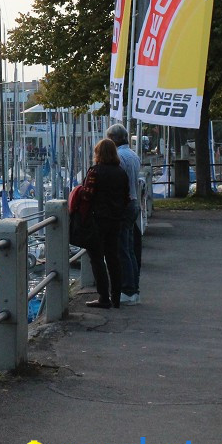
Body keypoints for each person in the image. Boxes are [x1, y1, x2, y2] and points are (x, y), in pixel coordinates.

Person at [81, 138, 129, 309]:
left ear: (98, 154)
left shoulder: (95, 171)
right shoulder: (121, 172)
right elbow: (126, 196)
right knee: (113, 258)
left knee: (96, 258)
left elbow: (87, 195)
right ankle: (116, 296)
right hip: (116, 220)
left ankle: (103, 297)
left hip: (98, 219)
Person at [106, 123, 141, 305]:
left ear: (113, 139)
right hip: (134, 203)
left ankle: (127, 289)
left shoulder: (119, 157)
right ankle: (133, 288)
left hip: (124, 205)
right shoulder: (133, 155)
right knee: (130, 249)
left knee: (122, 250)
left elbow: (119, 183)